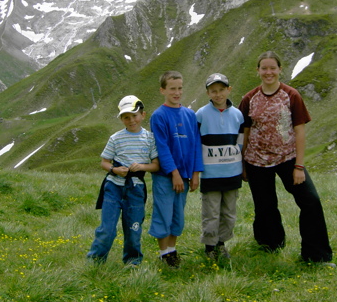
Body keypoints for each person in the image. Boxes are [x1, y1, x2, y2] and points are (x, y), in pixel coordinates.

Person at [238, 51, 333, 264]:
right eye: (264, 68)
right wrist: (242, 164)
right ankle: (269, 245)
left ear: (280, 69)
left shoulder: (291, 95)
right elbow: (244, 132)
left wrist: (299, 166)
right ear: (258, 71)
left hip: (288, 159)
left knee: (310, 201)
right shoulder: (249, 98)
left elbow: (299, 131)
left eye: (273, 68)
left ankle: (316, 255)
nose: (268, 72)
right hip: (256, 161)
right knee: (265, 206)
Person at [87, 95, 160, 266]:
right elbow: (104, 162)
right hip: (113, 187)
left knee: (133, 229)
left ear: (143, 115)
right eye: (126, 117)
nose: (131, 120)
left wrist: (142, 167)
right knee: (107, 229)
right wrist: (114, 170)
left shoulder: (150, 139)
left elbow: (156, 165)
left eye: (135, 115)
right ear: (121, 119)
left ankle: (132, 262)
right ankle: (95, 262)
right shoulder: (115, 138)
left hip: (136, 189)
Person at [149, 70, 204, 268]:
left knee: (177, 215)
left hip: (186, 175)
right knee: (164, 212)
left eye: (180, 88)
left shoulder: (190, 115)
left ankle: (172, 251)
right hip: (166, 176)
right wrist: (174, 174)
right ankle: (164, 254)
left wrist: (196, 173)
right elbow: (161, 147)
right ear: (163, 90)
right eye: (172, 89)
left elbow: (197, 144)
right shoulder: (158, 116)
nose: (177, 92)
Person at [196, 73, 244, 261]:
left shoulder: (238, 115)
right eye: (213, 91)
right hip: (210, 175)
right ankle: (209, 247)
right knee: (211, 213)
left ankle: (221, 244)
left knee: (229, 213)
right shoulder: (200, 114)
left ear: (228, 90)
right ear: (208, 93)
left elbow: (240, 143)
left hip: (233, 174)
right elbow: (196, 144)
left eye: (221, 90)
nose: (218, 94)